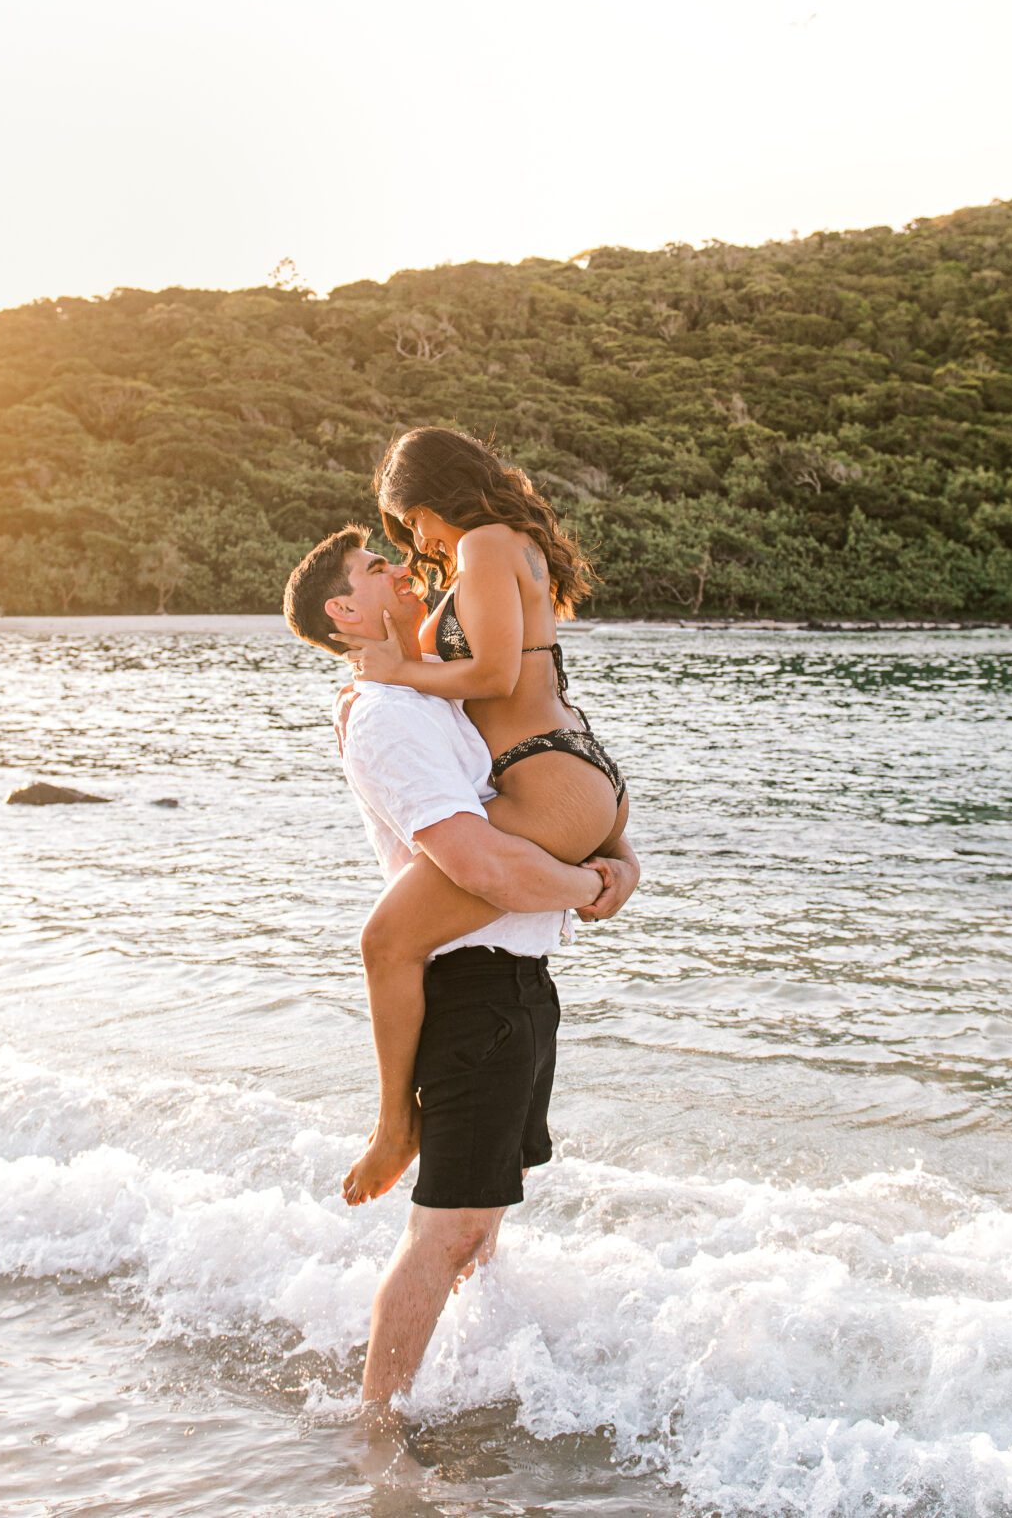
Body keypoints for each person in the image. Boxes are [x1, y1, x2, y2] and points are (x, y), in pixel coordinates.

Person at [282, 525, 642, 1430]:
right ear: (345, 610)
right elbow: (480, 862)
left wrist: (613, 863)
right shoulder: (387, 715)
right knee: (443, 1232)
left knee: (475, 1229)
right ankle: (379, 1425)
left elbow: (548, 783)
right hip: (472, 991)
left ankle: (469, 1396)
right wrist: (591, 885)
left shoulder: (434, 693)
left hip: (519, 987)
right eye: (375, 569)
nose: (400, 570)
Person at [335, 427, 629, 1205]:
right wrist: (379, 686)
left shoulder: (487, 545)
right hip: (569, 770)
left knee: (387, 940)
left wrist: (398, 669)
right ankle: (408, 1130)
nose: (415, 543)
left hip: (548, 775)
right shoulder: (513, 543)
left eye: (411, 524)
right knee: (397, 935)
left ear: (430, 502)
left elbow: (495, 673)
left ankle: (396, 1127)